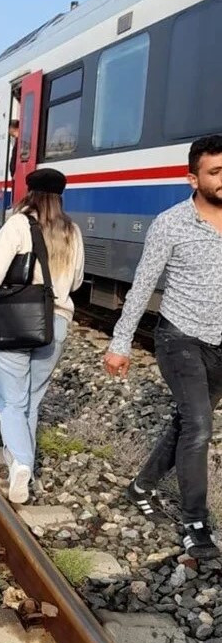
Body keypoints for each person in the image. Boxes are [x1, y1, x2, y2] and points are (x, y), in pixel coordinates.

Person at [104, 134, 222, 563]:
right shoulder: (171, 223)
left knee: (188, 425)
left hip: (219, 343)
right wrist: (120, 343)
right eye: (216, 172)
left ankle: (139, 487)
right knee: (200, 427)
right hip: (179, 337)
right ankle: (195, 524)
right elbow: (141, 287)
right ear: (193, 178)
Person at [0, 168, 85, 505]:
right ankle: (24, 466)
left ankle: (21, 464)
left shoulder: (18, 225)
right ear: (60, 195)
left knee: (10, 400)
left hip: (16, 321)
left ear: (29, 192)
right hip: (57, 322)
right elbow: (76, 282)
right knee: (32, 400)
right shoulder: (73, 231)